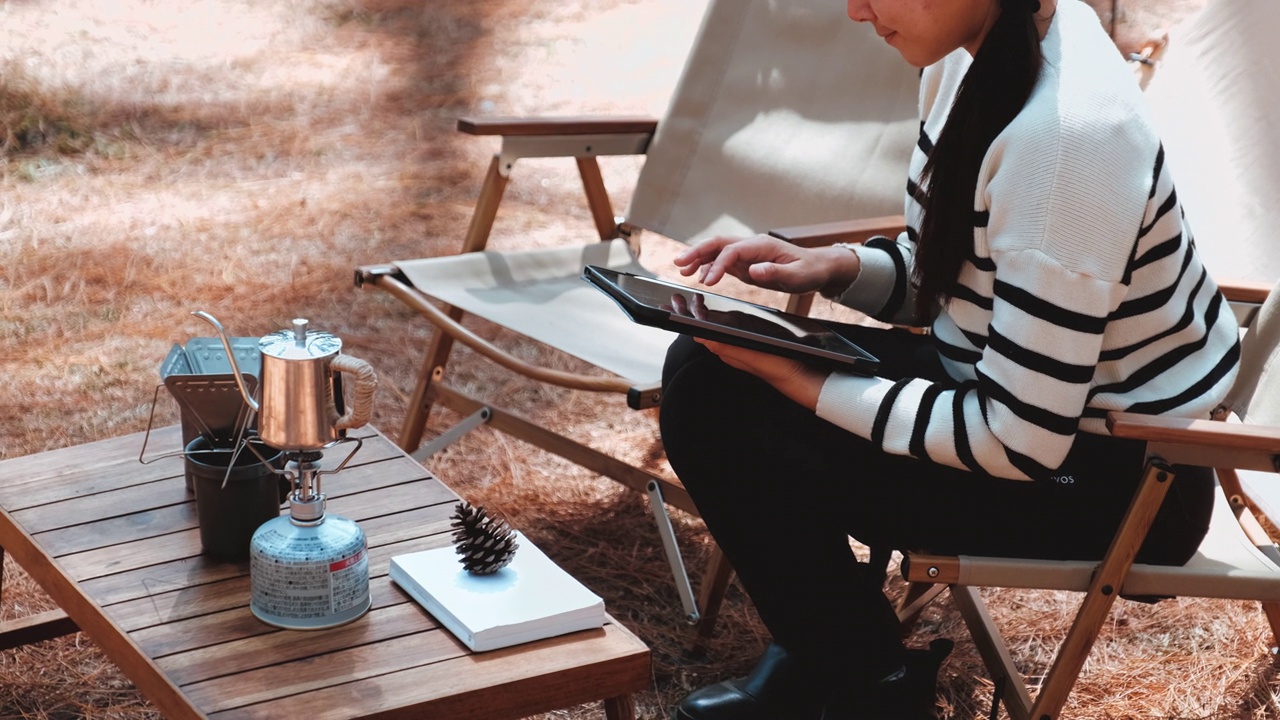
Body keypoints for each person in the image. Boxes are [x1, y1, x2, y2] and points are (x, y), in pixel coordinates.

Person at [658, 0, 1242, 718]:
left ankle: (857, 681)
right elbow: (967, 284)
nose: (856, 10)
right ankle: (848, 662)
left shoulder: (1068, 141)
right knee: (706, 370)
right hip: (1021, 409)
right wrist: (836, 268)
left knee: (721, 402)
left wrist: (801, 380)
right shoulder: (982, 53)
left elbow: (1019, 438)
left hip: (1118, 484)